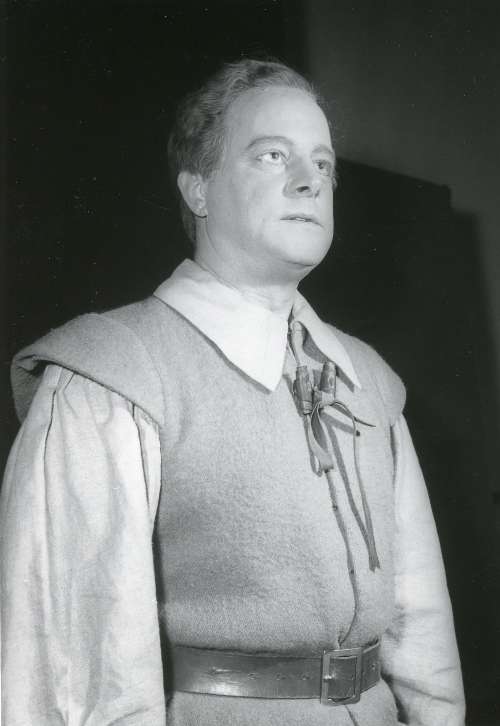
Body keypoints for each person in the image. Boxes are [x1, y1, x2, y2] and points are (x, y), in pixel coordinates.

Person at [1, 58, 465, 725]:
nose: (310, 180)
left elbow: (422, 628)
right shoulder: (110, 375)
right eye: (272, 155)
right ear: (199, 189)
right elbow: (68, 663)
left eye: (324, 163)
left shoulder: (369, 382)